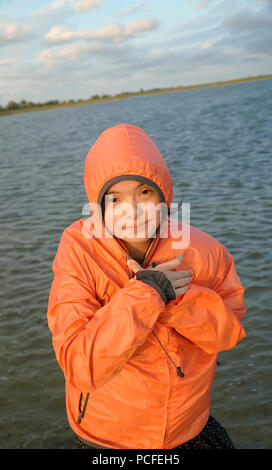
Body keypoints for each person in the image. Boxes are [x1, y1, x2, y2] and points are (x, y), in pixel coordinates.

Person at [47, 123, 246, 449]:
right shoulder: (79, 251)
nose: (132, 211)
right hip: (108, 435)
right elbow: (80, 367)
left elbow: (227, 334)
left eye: (144, 192)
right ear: (97, 207)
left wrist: (177, 301)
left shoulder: (202, 250)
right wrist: (147, 293)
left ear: (164, 194)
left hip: (187, 424)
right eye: (114, 198)